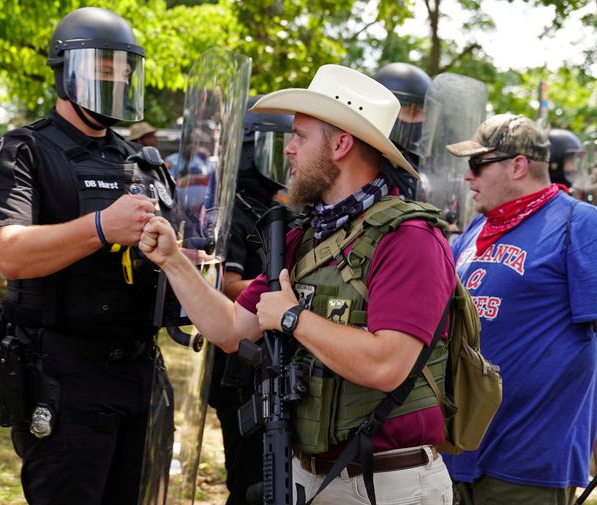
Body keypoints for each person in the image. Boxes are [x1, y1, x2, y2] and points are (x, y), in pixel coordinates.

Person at [140, 64, 455, 504]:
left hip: (388, 484)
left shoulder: (410, 239)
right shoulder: (304, 236)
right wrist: (173, 262)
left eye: (301, 136)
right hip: (307, 477)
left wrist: (292, 318)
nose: (288, 150)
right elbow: (231, 329)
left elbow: (388, 365)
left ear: (342, 144)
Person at [0, 7, 168, 505]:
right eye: (102, 73)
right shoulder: (24, 150)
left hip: (144, 371)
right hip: (66, 375)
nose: (115, 84)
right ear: (66, 72)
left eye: (123, 73)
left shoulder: (142, 161)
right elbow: (12, 255)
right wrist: (103, 227)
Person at [442, 113, 597, 505]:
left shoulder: (582, 225)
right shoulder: (477, 229)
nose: (468, 177)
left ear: (517, 165)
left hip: (528, 460)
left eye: (477, 165)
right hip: (456, 451)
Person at [208, 96, 292, 505]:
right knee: (249, 480)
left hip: (272, 363)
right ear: (249, 149)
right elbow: (226, 284)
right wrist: (286, 298)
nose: (287, 158)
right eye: (275, 147)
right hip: (240, 364)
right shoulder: (233, 209)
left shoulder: (276, 207)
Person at [372, 62, 431, 199]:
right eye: (413, 111)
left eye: (424, 112)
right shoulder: (365, 166)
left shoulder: (416, 166)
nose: (421, 120)